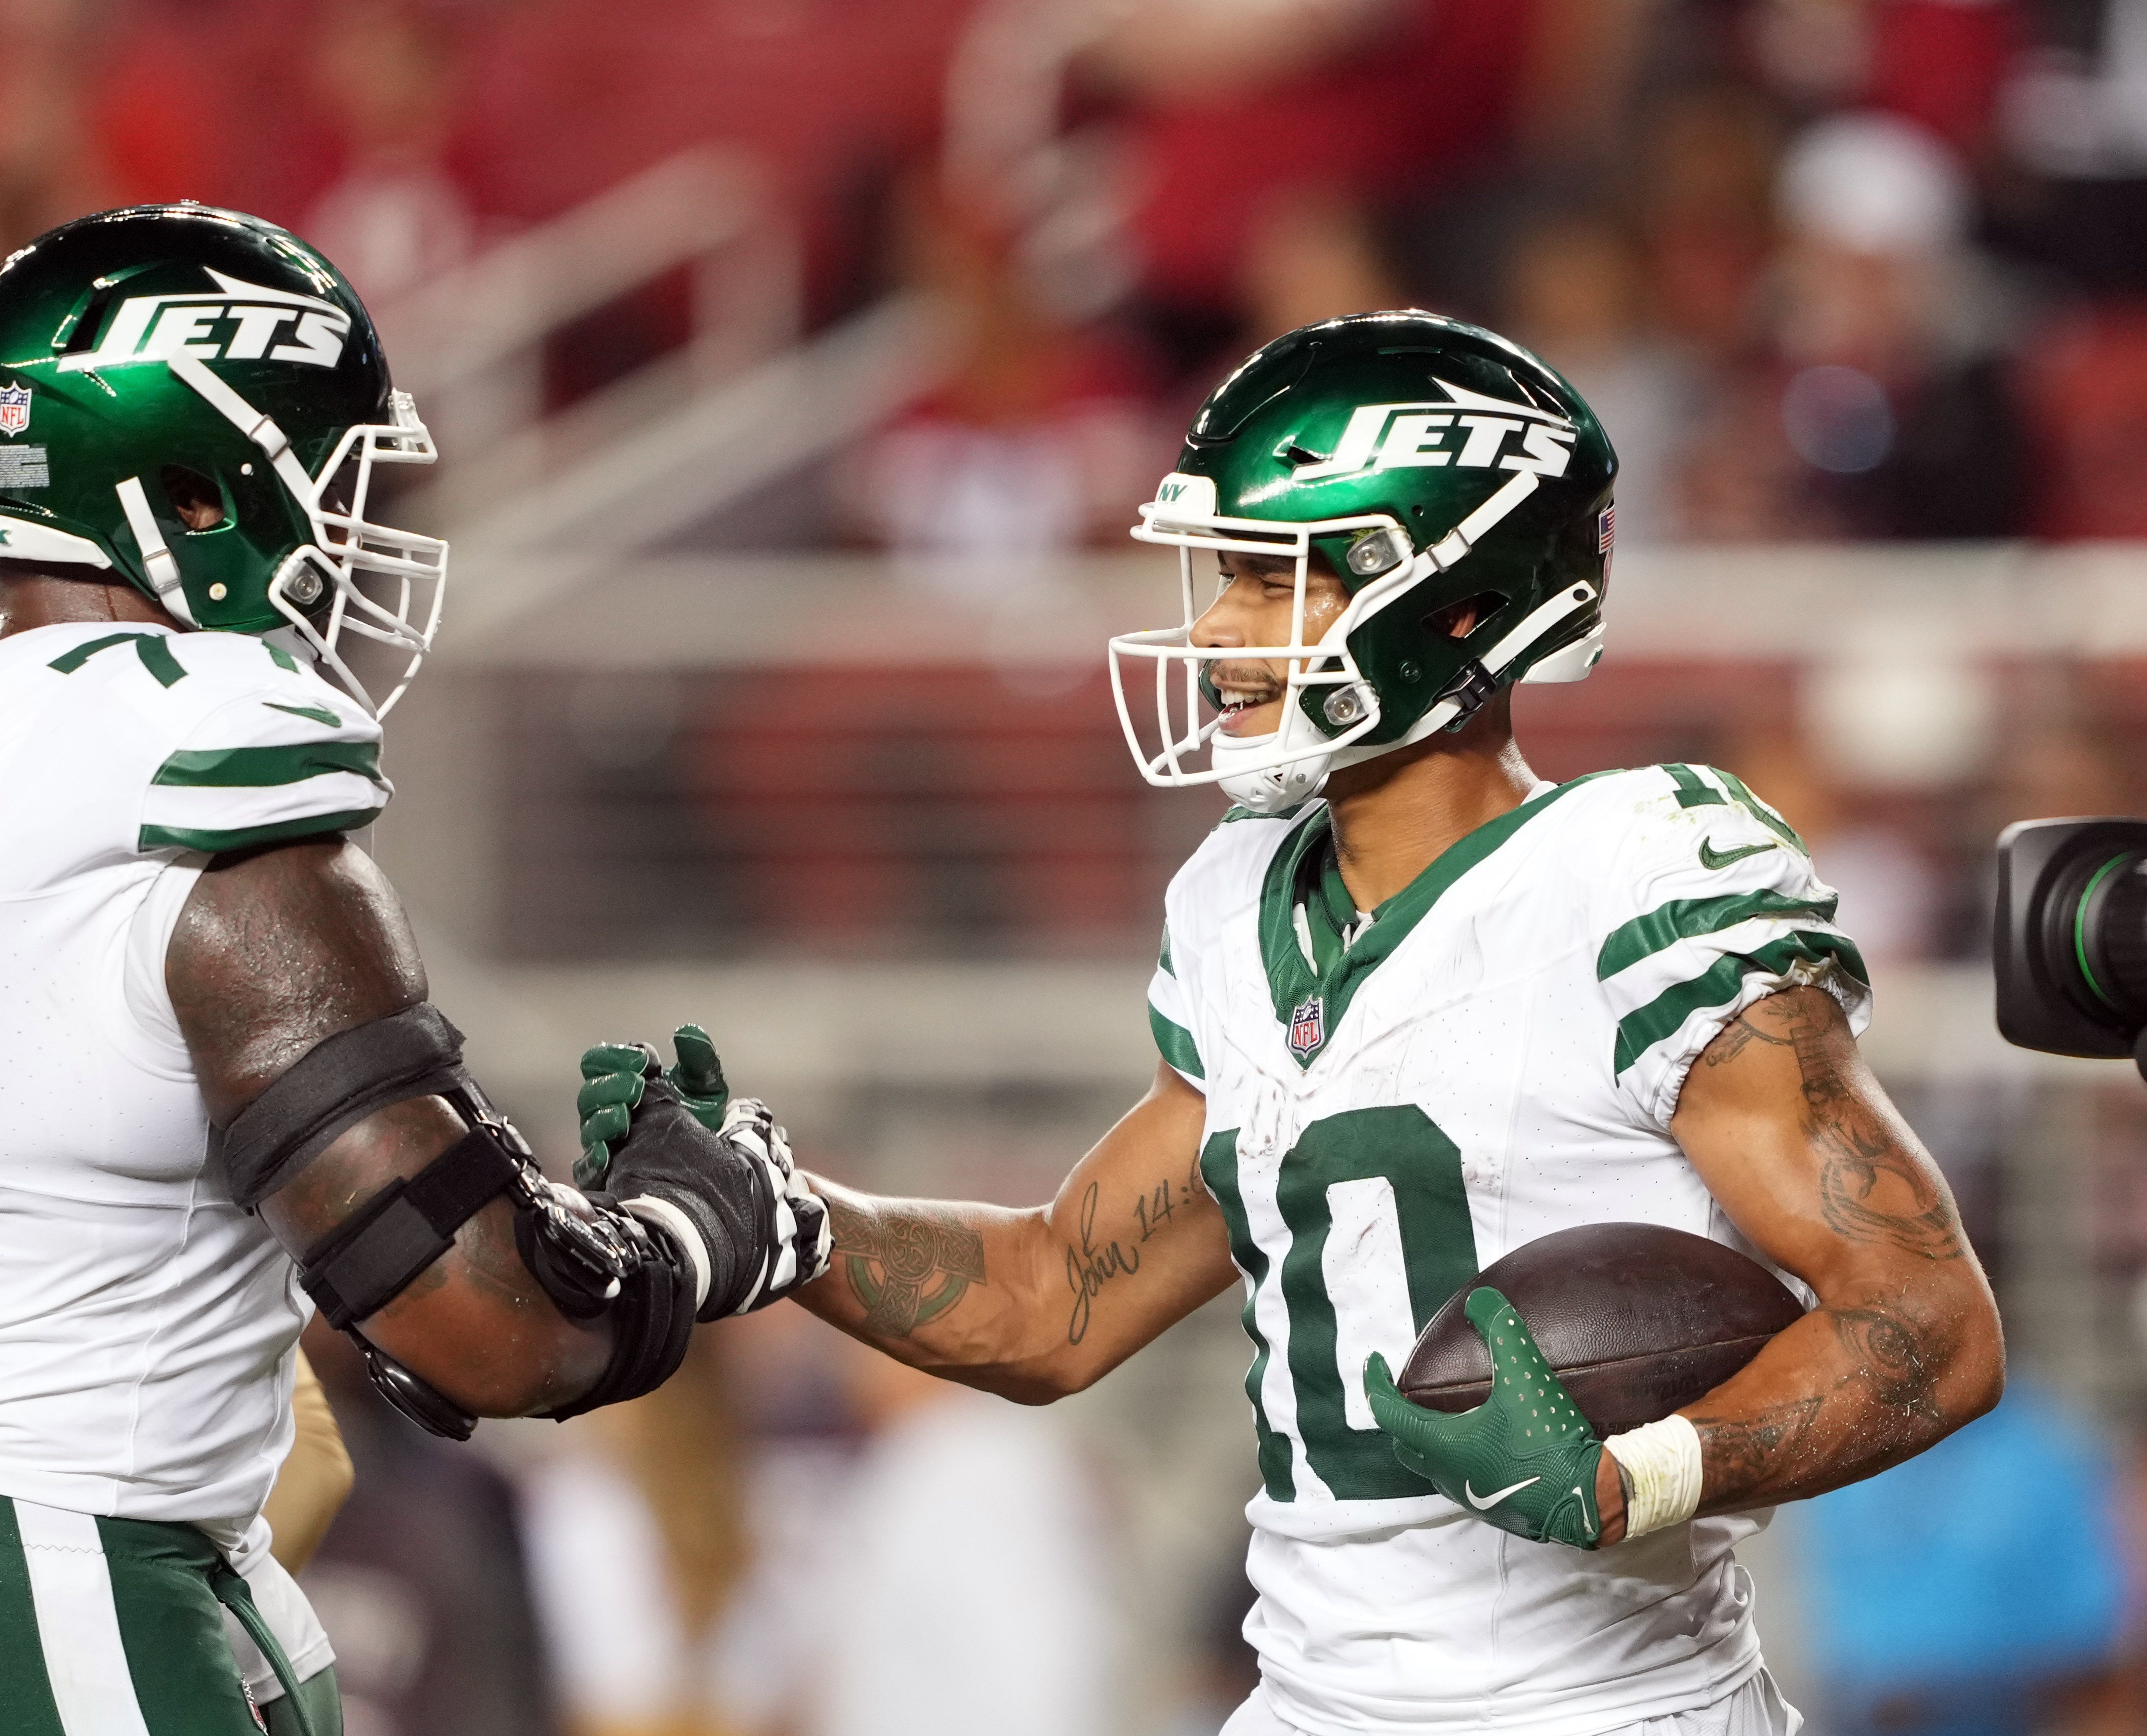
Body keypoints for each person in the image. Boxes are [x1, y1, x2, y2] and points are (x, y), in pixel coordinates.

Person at [579, 311, 2005, 1735]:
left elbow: (1932, 1326)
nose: (1218, 631)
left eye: (1276, 581)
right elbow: (1051, 1297)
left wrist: (1641, 1474)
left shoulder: (1632, 878)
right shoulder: (1237, 908)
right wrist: (784, 1219)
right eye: (1224, 582)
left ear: (1453, 598)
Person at [0, 202, 823, 1736]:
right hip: (52, 1584)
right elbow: (486, 1326)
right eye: (325, 473)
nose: (345, 531)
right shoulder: (193, 775)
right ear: (189, 483)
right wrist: (700, 1228)